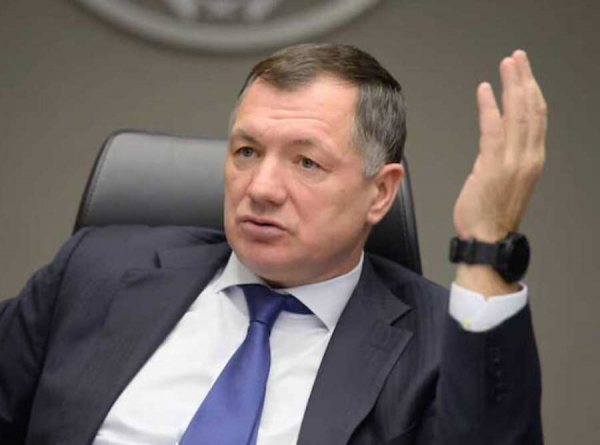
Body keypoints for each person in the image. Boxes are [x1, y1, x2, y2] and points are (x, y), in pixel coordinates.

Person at [0, 43, 546, 444]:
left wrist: (486, 247)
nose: (261, 189)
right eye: (246, 152)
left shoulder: (439, 348)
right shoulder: (94, 272)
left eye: (306, 162)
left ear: (380, 192)